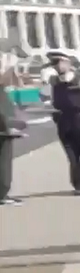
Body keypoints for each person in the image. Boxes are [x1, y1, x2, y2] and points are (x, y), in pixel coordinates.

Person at [47, 53, 80, 195]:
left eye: (59, 62)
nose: (56, 66)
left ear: (68, 63)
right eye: (54, 64)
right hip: (64, 122)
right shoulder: (53, 83)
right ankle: (79, 185)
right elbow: (45, 98)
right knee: (73, 156)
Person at [0, 68, 25, 206]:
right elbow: (3, 114)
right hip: (3, 132)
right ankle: (2, 194)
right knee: (3, 164)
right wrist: (11, 127)